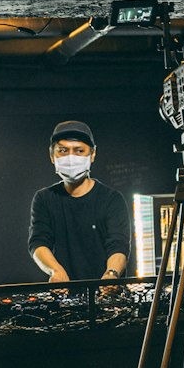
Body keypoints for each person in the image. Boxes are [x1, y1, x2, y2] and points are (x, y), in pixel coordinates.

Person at [28, 120, 131, 284]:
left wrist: (111, 274)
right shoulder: (44, 199)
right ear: (52, 156)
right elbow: (38, 242)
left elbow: (119, 245)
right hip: (64, 297)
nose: (70, 158)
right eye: (63, 150)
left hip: (107, 298)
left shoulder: (112, 199)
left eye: (79, 151)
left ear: (92, 154)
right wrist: (56, 270)